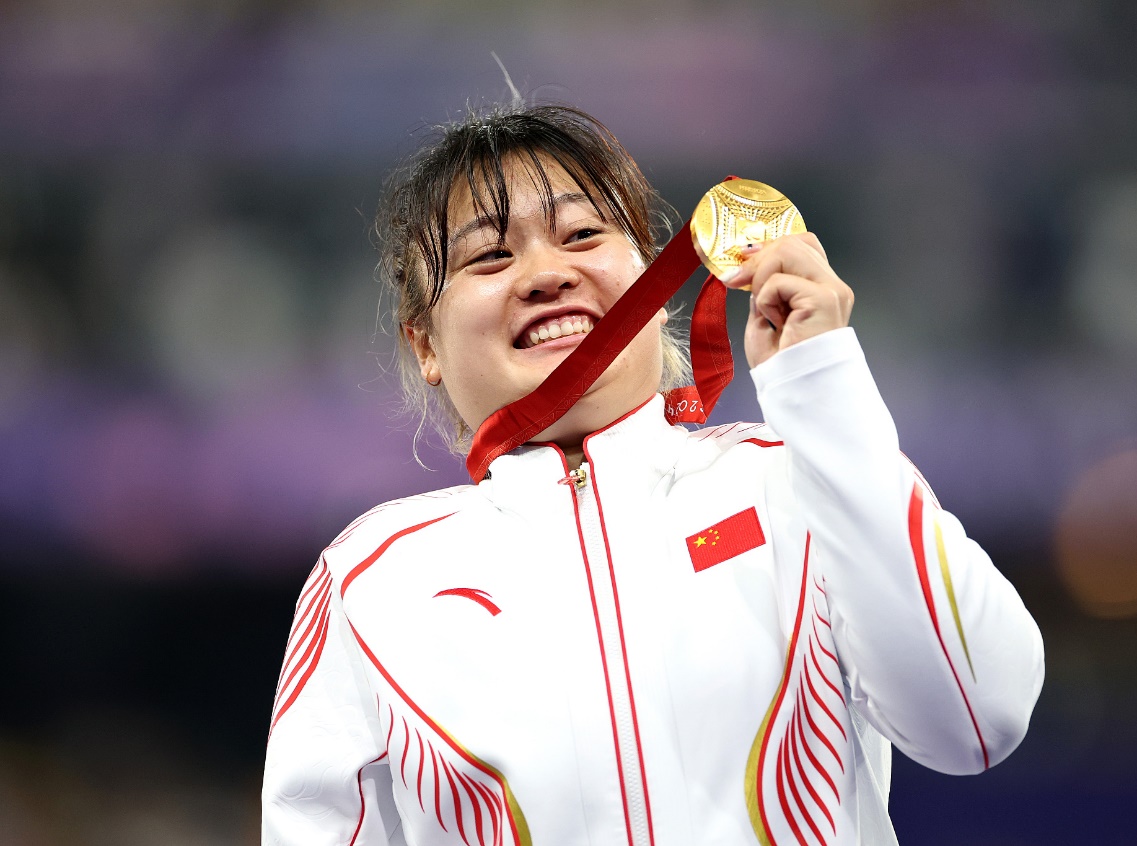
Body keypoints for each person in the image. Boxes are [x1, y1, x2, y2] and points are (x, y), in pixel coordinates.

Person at [261, 104, 1044, 846]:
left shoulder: (792, 486)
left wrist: (823, 392)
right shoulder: (372, 582)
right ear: (423, 343)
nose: (545, 273)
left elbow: (977, 720)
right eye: (490, 255)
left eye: (582, 234)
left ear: (654, 282)